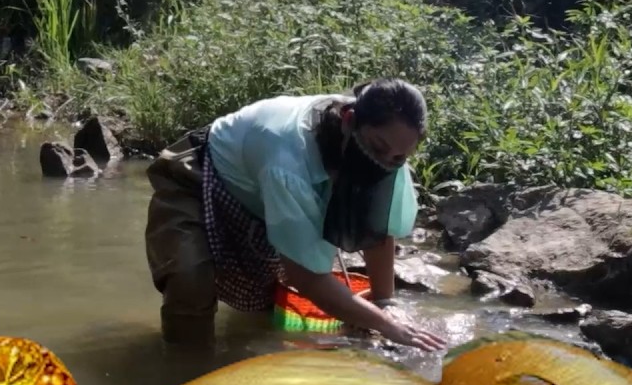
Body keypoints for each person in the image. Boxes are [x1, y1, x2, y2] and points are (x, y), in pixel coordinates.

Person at [143, 77, 448, 351]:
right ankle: (184, 370)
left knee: (266, 307)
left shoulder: (388, 153)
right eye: (378, 147)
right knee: (190, 282)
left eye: (398, 157)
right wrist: (388, 325)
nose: (385, 160)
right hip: (199, 177)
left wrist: (385, 302)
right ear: (349, 119)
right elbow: (308, 278)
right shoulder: (288, 158)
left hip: (260, 199)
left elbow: (377, 231)